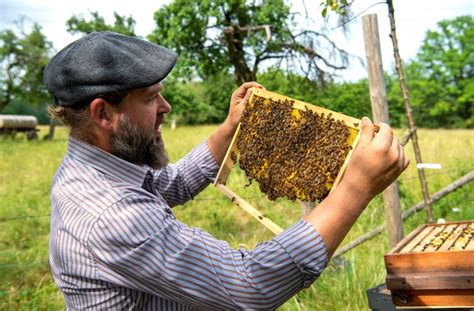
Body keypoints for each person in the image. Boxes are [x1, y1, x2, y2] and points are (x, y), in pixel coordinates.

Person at [44, 31, 409, 310]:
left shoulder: (92, 167)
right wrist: (356, 187)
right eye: (150, 97)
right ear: (103, 114)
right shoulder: (111, 214)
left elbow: (167, 184)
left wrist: (230, 129)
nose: (166, 107)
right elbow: (250, 284)